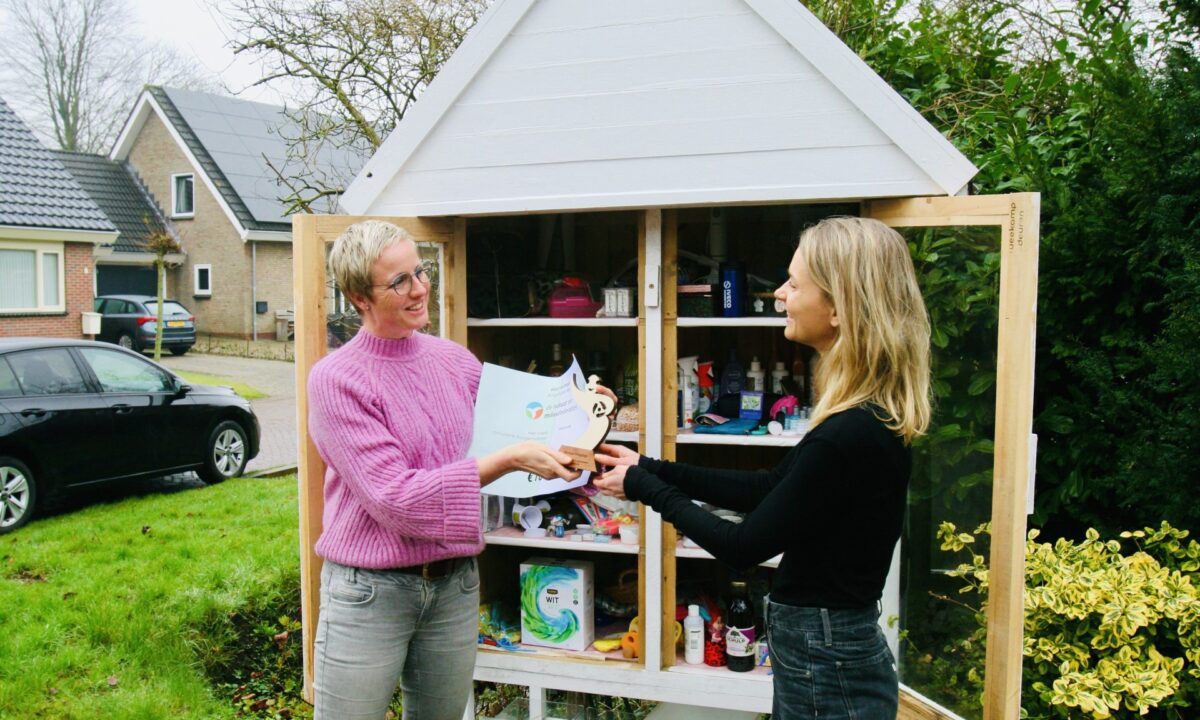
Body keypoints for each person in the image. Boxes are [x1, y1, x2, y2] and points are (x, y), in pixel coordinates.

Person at [594, 216, 930, 720]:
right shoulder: (864, 416)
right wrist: (652, 465)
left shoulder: (848, 434)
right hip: (829, 647)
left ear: (839, 307)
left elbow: (744, 546)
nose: (778, 294)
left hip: (826, 654)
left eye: (795, 284)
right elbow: (769, 487)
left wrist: (644, 487)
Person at [307, 220, 580, 720]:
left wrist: (582, 409)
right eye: (400, 281)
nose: (420, 288)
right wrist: (505, 460)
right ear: (358, 297)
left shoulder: (453, 361)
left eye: (421, 271)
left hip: (454, 585)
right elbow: (393, 497)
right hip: (371, 592)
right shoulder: (337, 380)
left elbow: (525, 421)